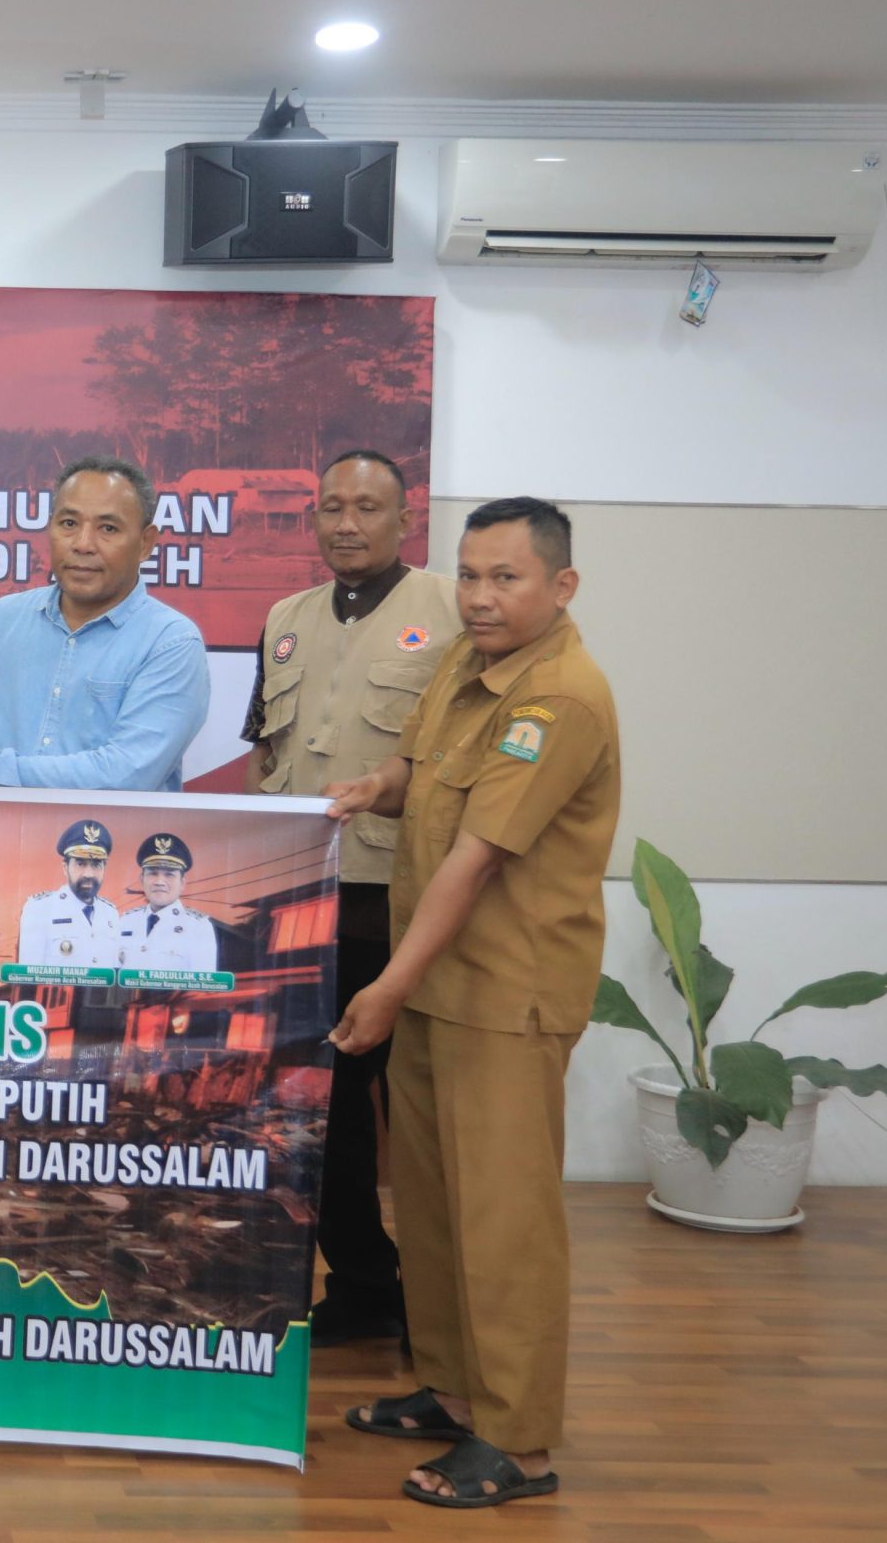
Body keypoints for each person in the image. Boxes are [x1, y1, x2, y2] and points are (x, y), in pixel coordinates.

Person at [322, 497, 620, 1510]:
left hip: (504, 994)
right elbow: (419, 772)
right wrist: (373, 787)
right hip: (439, 987)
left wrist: (385, 985)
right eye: (470, 575)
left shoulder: (560, 699)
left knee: (504, 1222)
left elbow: (476, 858)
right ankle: (452, 1390)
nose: (482, 597)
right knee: (435, 1206)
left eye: (506, 578)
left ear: (561, 585)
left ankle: (519, 1440)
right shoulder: (465, 662)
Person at [244, 448, 459, 1347]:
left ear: (404, 518)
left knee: (421, 1114)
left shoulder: (450, 611)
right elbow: (267, 755)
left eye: (367, 507)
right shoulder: (284, 619)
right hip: (302, 898)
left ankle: (448, 1307)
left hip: (400, 902)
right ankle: (367, 1285)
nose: (346, 523)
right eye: (331, 507)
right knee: (316, 1109)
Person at [0, 455, 207, 790]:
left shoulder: (171, 643)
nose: (83, 544)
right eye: (69, 523)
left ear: (146, 543)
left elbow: (125, 775)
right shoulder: (2, 619)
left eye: (108, 528)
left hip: (102, 828)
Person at [17, 819, 125, 969]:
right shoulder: (40, 909)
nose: (88, 874)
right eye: (80, 864)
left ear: (104, 868)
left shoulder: (110, 913)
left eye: (96, 865)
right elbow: (30, 975)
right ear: (65, 867)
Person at [116, 833, 220, 973]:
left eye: (169, 874)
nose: (159, 882)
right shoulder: (126, 921)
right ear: (141, 880)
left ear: (182, 883)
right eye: (153, 873)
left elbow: (201, 982)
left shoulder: (198, 927)